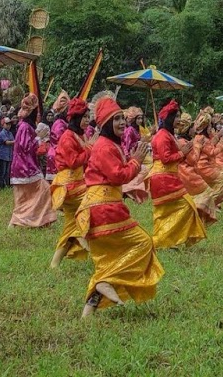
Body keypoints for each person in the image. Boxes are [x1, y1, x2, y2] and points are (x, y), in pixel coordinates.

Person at [79, 96, 164, 317]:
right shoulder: (104, 147)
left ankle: (88, 313)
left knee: (108, 259)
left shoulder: (109, 145)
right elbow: (118, 175)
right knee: (144, 243)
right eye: (116, 119)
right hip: (104, 209)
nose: (121, 122)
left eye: (122, 118)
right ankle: (105, 281)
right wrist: (136, 161)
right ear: (106, 123)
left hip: (100, 205)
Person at [146, 101, 207, 250]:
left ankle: (167, 241)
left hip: (169, 176)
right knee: (185, 206)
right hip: (163, 177)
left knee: (169, 212)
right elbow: (166, 159)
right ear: (168, 118)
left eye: (179, 116)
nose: (179, 119)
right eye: (176, 116)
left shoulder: (168, 134)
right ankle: (160, 241)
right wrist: (182, 153)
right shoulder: (162, 136)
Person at [50, 95, 91, 267]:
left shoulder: (78, 135)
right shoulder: (67, 137)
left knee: (70, 225)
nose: (87, 121)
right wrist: (91, 148)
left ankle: (55, 263)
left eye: (89, 117)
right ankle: (87, 243)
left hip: (77, 182)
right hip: (69, 185)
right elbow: (73, 162)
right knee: (95, 205)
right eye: (85, 117)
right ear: (75, 118)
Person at [11, 96, 58, 229]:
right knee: (43, 189)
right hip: (25, 166)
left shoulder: (24, 125)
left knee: (24, 197)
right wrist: (39, 139)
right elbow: (25, 146)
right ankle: (32, 220)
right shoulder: (25, 126)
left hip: (23, 165)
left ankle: (33, 220)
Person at [190, 109, 223, 224]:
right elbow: (212, 152)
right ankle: (205, 205)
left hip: (205, 166)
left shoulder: (201, 137)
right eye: (209, 126)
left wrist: (218, 138)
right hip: (204, 167)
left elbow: (210, 145)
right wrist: (222, 143)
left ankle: (206, 207)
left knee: (214, 185)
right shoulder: (202, 138)